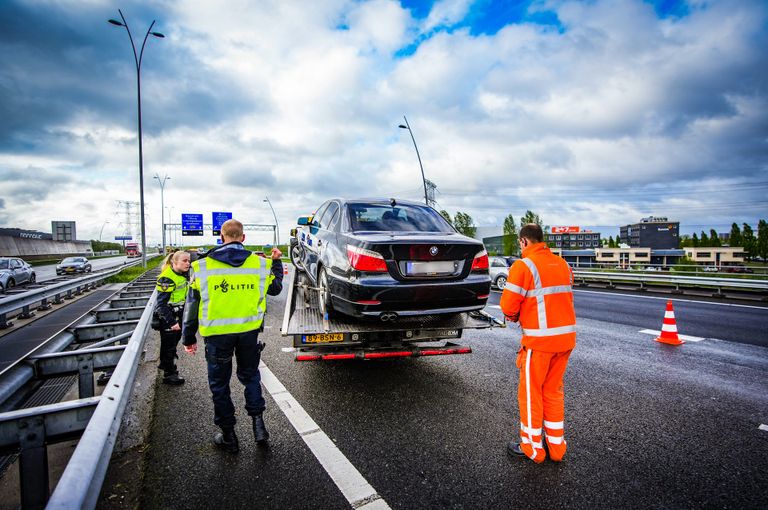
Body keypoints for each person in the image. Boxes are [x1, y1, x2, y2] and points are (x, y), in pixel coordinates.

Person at [182, 219, 283, 453]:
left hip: (217, 337)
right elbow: (276, 288)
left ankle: (229, 435)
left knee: (219, 385)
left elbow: (192, 307)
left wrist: (188, 338)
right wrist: (276, 262)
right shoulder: (259, 264)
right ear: (244, 238)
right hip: (248, 334)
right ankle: (259, 427)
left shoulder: (201, 267)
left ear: (221, 236)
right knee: (250, 378)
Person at [500, 223, 576, 464]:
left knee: (531, 394)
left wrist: (514, 317)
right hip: (565, 340)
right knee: (553, 392)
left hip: (539, 342)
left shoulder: (523, 265)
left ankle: (532, 447)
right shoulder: (562, 264)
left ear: (524, 242)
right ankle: (556, 447)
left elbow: (508, 306)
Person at [154, 250, 191, 385]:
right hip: (170, 317)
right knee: (168, 346)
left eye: (189, 261)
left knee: (173, 345)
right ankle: (169, 374)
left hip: (179, 314)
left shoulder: (182, 274)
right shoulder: (167, 278)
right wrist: (171, 322)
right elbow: (161, 305)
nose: (188, 263)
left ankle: (169, 368)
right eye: (184, 261)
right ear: (174, 262)